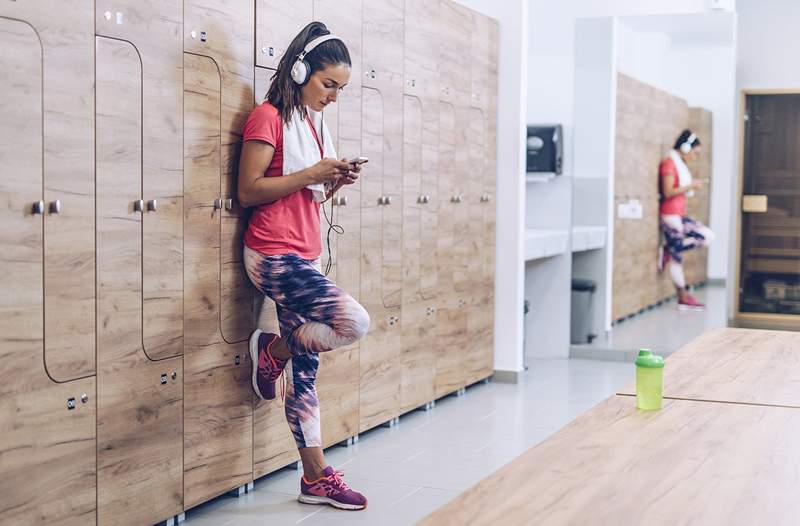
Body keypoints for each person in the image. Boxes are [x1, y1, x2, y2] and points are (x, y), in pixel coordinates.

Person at [238, 21, 370, 511]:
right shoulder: (268, 117)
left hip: (305, 251)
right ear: (300, 71)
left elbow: (306, 194)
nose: (334, 96)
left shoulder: (315, 126)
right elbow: (249, 191)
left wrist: (332, 181)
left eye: (340, 88)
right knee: (354, 322)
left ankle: (314, 477)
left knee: (308, 373)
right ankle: (273, 348)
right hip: (273, 256)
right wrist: (311, 173)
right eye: (328, 84)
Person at [657, 129, 715, 311]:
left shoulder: (677, 165)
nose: (695, 157)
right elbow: (668, 192)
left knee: (698, 242)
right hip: (670, 215)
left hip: (678, 215)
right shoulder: (669, 164)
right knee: (703, 239)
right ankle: (683, 297)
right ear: (684, 147)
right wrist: (691, 185)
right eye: (695, 153)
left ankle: (670, 249)